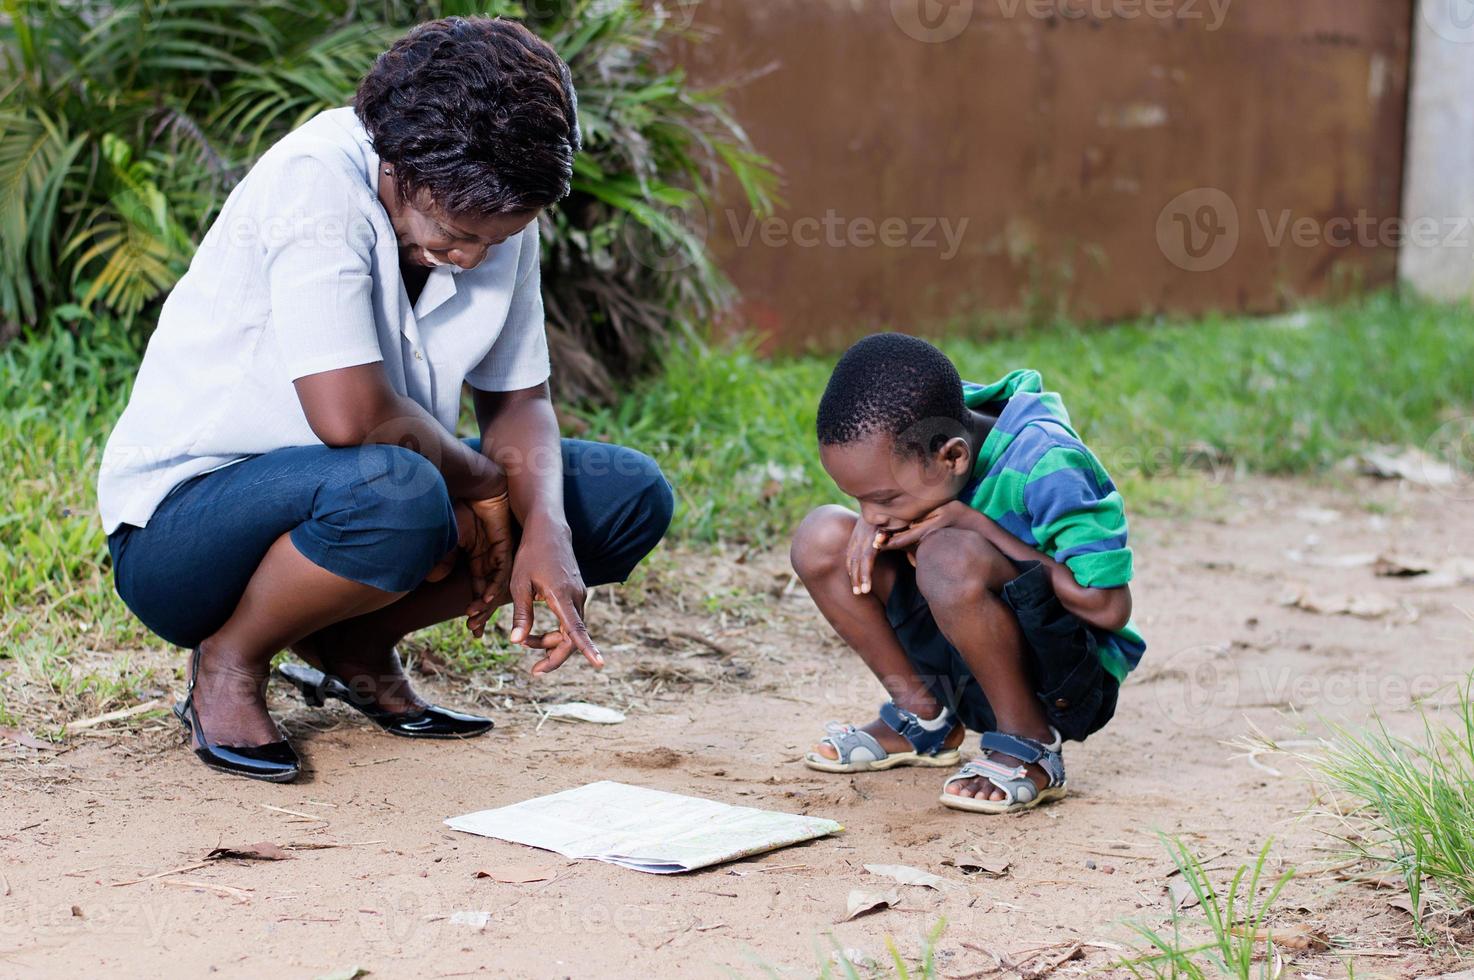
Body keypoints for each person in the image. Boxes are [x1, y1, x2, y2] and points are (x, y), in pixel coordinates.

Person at [97, 16, 673, 783]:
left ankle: (351, 648)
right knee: (396, 489)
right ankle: (231, 659)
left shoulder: (495, 195)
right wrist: (492, 488)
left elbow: (518, 403)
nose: (471, 255)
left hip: (370, 494)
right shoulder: (313, 181)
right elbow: (353, 417)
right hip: (185, 534)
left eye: (495, 240)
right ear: (396, 164)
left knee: (625, 495)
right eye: (453, 230)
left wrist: (549, 528)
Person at [789, 333, 1143, 813]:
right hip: (966, 661)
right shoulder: (917, 430)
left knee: (949, 553)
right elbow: (869, 517)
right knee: (821, 536)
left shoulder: (1047, 462)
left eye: (885, 499)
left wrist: (977, 525)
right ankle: (924, 718)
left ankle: (1030, 743)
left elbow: (1109, 607)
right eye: (860, 498)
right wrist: (873, 518)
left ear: (953, 456)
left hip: (1065, 683)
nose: (871, 515)